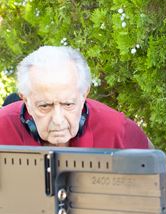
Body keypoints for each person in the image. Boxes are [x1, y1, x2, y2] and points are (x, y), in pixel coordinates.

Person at [0, 46, 151, 149]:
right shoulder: (3, 127)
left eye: (68, 104)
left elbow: (152, 183)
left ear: (84, 94)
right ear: (26, 100)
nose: (58, 120)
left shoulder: (118, 129)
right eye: (45, 106)